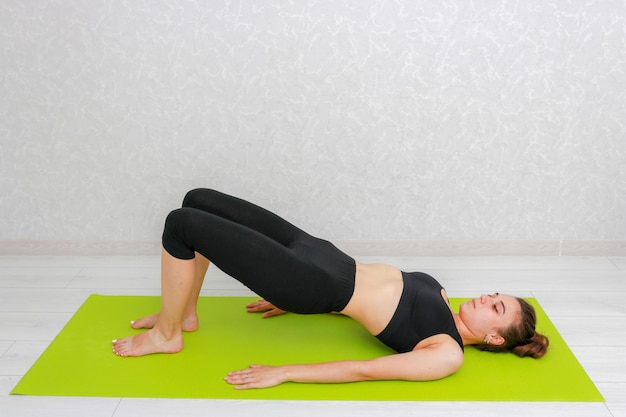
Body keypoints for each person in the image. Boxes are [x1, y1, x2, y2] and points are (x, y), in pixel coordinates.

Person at [112, 188, 549, 389]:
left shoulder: (446, 352)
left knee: (181, 224)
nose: (487, 299)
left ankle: (167, 335)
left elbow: (362, 370)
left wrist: (285, 372)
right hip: (320, 254)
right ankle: (185, 313)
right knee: (197, 199)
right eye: (495, 295)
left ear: (494, 337)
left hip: (315, 283)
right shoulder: (441, 298)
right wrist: (287, 297)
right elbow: (376, 306)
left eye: (496, 309)